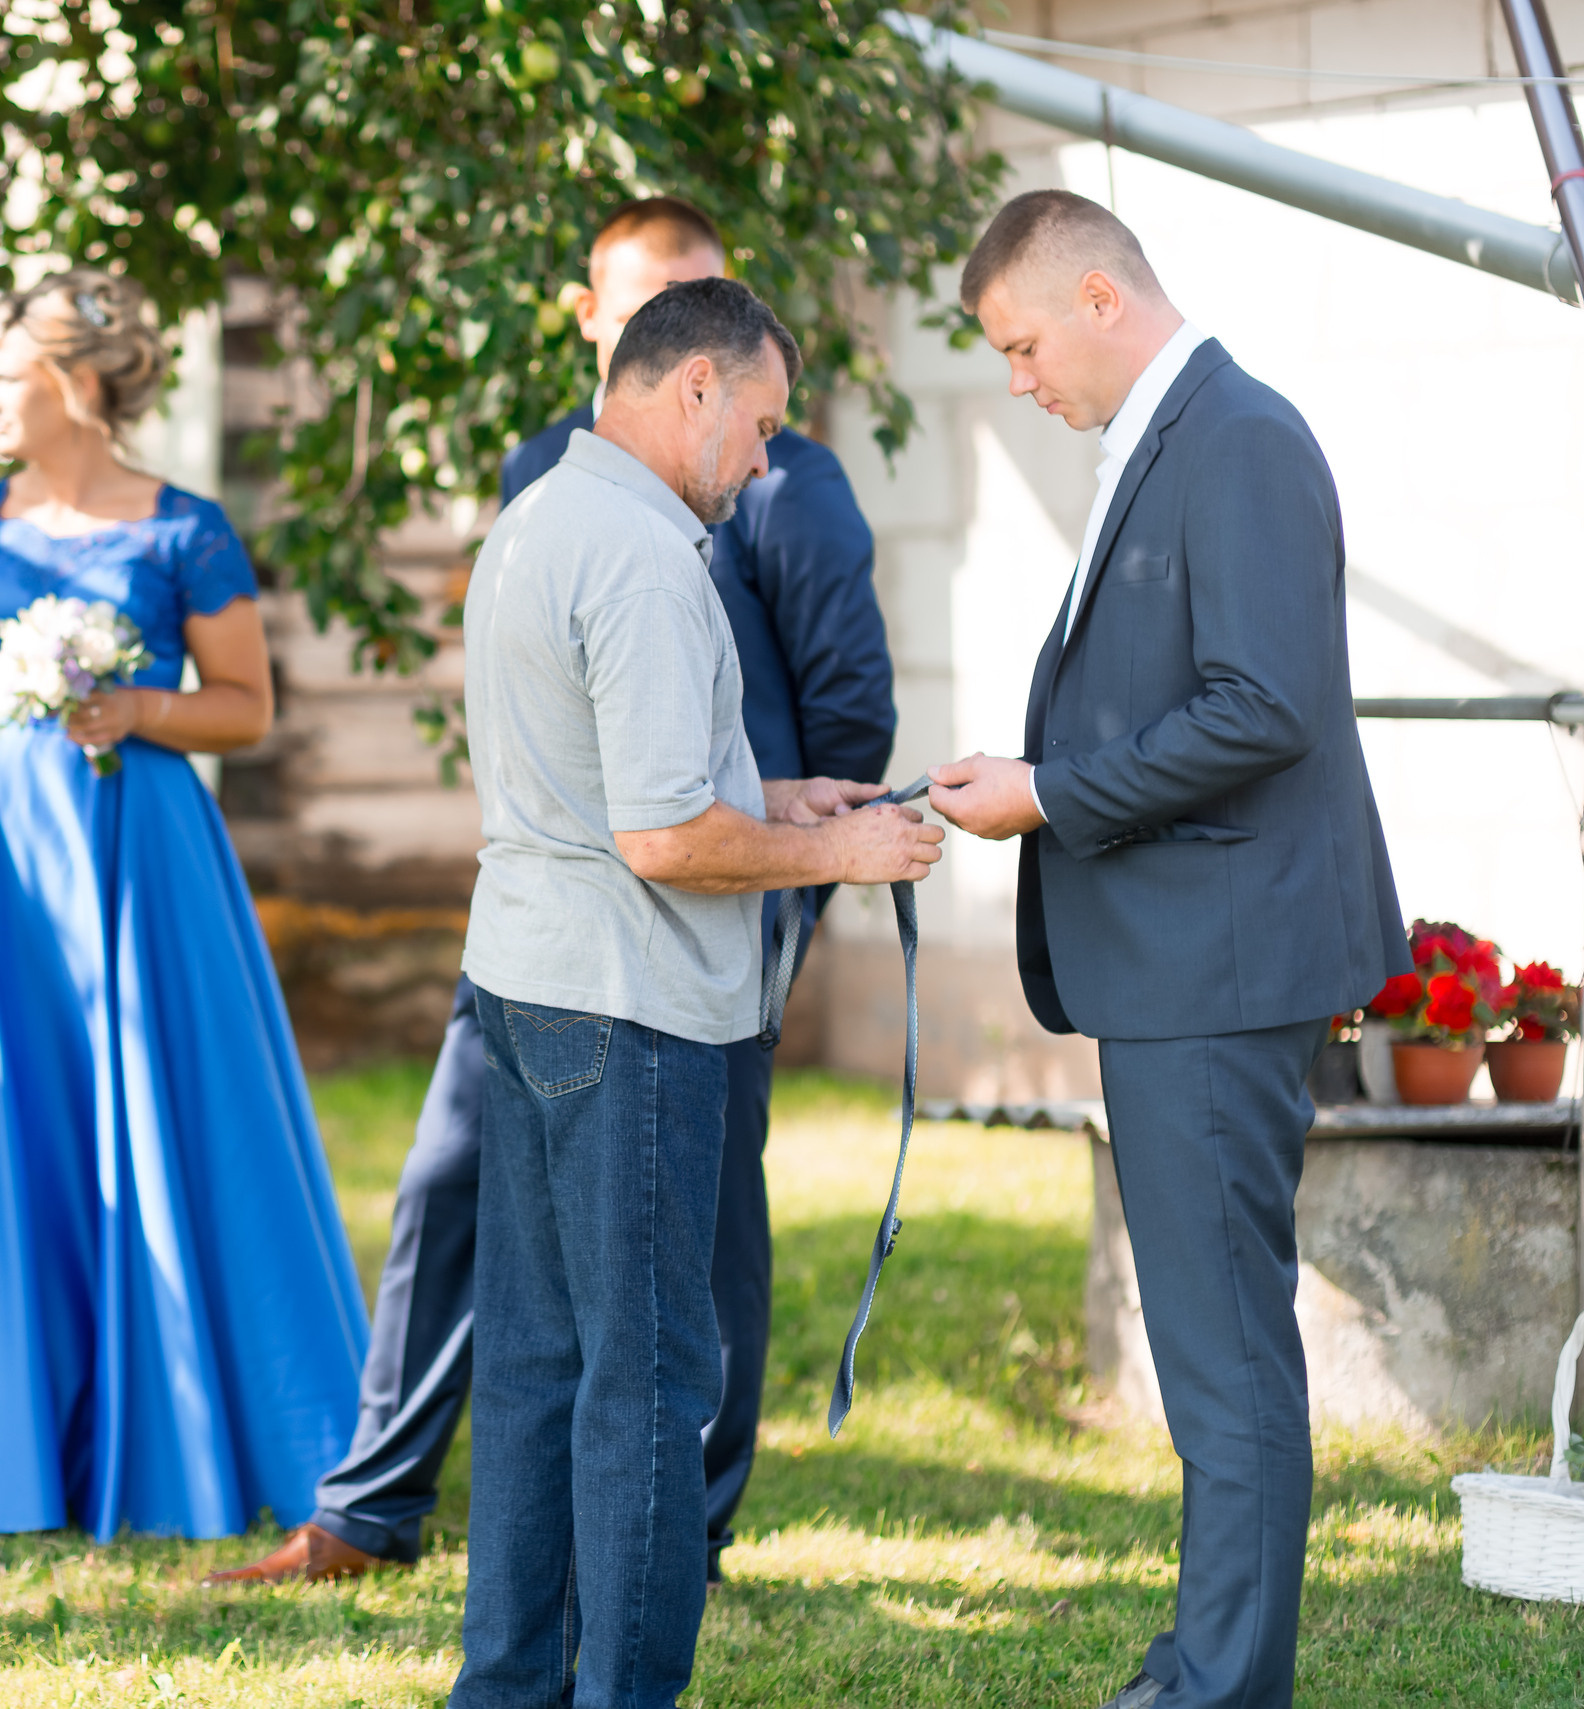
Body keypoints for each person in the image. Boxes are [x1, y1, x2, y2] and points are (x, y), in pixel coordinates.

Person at [211, 196, 893, 1587]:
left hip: (719, 909)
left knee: (705, 1232)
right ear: (608, 324)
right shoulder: (546, 479)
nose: (696, 327)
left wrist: (793, 875)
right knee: (452, 1194)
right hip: (543, 922)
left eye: (711, 297)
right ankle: (371, 1503)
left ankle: (678, 1533)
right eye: (661, 300)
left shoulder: (788, 476)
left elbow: (847, 708)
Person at [925, 191, 1405, 1709]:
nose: (1017, 381)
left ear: (1099, 298)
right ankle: (1210, 1661)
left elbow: (1265, 707)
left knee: (1221, 1354)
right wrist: (1030, 772)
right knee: (1212, 1346)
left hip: (1220, 970)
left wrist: (1048, 794)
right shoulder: (1165, 436)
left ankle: (1221, 1686)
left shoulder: (1240, 438)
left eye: (1019, 345)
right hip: (1187, 962)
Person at [448, 276, 939, 1709]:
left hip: (527, 989)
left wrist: (778, 792)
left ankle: (509, 1687)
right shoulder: (655, 561)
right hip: (634, 1011)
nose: (769, 460)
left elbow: (605, 779)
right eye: (765, 423)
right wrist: (836, 844)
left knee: (537, 1369)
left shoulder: (539, 517)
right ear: (695, 389)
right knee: (655, 1388)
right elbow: (663, 839)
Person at [0, 269, 367, 1543]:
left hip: (134, 860)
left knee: (154, 1127)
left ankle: (170, 1416)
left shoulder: (185, 531)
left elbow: (246, 703)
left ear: (72, 384)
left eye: (1, 378)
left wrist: (137, 710)